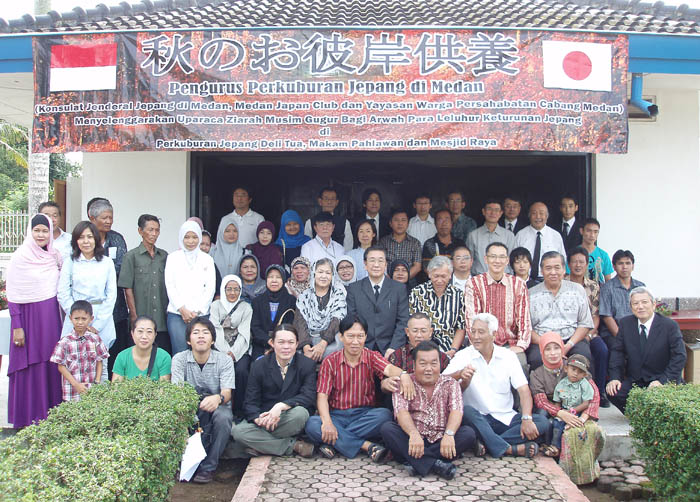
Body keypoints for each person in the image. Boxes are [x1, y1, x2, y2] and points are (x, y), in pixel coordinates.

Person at [305, 315, 415, 461]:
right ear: (341, 337)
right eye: (350, 336)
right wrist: (327, 423)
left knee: (384, 415)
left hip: (364, 415)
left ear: (365, 337)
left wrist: (404, 374)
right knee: (313, 424)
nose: (355, 342)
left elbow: (389, 369)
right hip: (337, 415)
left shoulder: (371, 356)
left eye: (360, 336)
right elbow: (322, 396)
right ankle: (367, 446)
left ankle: (333, 443)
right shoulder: (330, 361)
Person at [444, 313, 549, 458]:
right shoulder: (463, 355)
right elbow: (441, 380)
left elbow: (524, 390)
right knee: (466, 411)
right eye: (473, 331)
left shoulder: (508, 356)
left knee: (542, 422)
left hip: (505, 418)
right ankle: (510, 449)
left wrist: (526, 418)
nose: (475, 336)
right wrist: (459, 374)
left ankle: (487, 443)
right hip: (478, 419)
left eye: (481, 332)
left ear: (493, 334)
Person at [381, 341, 476, 479]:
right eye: (423, 363)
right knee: (388, 429)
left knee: (468, 434)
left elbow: (456, 410)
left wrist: (449, 435)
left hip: (441, 439)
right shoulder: (405, 383)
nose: (429, 368)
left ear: (440, 364)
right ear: (414, 365)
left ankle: (416, 461)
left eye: (433, 363)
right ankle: (437, 464)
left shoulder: (451, 384)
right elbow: (401, 412)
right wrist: (413, 434)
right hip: (413, 439)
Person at [6, 213, 63, 427]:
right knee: (29, 365)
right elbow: (13, 295)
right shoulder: (20, 257)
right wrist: (17, 327)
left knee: (50, 362)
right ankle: (27, 417)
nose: (41, 234)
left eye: (45, 230)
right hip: (27, 321)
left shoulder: (54, 256)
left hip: (49, 321)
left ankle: (50, 417)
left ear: (51, 232)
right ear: (30, 232)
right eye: (37, 230)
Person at [229, 324, 316, 458]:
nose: (286, 347)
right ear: (272, 343)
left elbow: (308, 396)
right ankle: (293, 445)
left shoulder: (306, 364)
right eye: (281, 342)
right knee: (238, 432)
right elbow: (250, 402)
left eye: (291, 342)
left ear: (297, 344)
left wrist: (281, 406)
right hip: (265, 419)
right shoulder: (259, 365)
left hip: (289, 417)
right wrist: (259, 419)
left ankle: (260, 444)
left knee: (300, 414)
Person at [530, 331, 604, 485]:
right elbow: (540, 401)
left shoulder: (575, 366)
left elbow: (594, 395)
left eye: (556, 348)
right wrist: (561, 413)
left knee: (586, 430)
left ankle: (582, 472)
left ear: (562, 349)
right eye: (547, 349)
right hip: (553, 409)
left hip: (575, 409)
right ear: (542, 352)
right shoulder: (537, 374)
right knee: (542, 417)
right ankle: (547, 446)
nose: (553, 353)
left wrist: (581, 418)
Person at [171, 317, 234, 484]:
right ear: (188, 340)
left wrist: (218, 398)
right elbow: (177, 391)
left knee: (224, 418)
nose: (201, 336)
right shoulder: (179, 359)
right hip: (189, 405)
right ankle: (183, 464)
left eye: (206, 333)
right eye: (196, 333)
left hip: (217, 406)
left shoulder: (224, 360)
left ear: (212, 339)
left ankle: (209, 467)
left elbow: (227, 392)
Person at [606, 287, 686, 414]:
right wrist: (615, 377)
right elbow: (617, 352)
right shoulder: (626, 324)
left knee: (663, 400)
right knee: (613, 391)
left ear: (653, 304)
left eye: (644, 302)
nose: (640, 307)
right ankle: (642, 416)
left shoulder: (669, 326)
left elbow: (679, 356)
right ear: (631, 307)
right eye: (635, 303)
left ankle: (649, 415)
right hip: (637, 380)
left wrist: (662, 381)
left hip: (661, 378)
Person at [58, 220, 117, 383]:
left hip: (101, 317)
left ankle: (101, 405)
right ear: (75, 240)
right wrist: (78, 318)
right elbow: (63, 292)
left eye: (90, 237)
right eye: (81, 237)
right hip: (75, 316)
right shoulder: (70, 261)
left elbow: (111, 295)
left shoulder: (106, 263)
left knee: (101, 366)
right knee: (73, 364)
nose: (86, 241)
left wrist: (95, 325)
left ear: (96, 239)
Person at [464, 242, 532, 370]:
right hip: (482, 343)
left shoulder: (518, 284)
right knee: (477, 370)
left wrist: (520, 346)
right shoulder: (474, 284)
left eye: (501, 257)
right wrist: (482, 345)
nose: (497, 261)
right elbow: (471, 320)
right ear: (486, 259)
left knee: (520, 365)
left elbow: (524, 319)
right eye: (493, 256)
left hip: (510, 344)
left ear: (507, 261)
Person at [527, 252, 594, 371]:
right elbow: (527, 328)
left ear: (564, 269)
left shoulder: (577, 290)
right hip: (542, 341)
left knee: (583, 357)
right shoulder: (530, 294)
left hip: (571, 339)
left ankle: (584, 390)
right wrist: (549, 346)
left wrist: (568, 346)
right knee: (536, 359)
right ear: (542, 271)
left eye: (557, 268)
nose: (553, 272)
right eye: (548, 268)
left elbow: (585, 323)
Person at [118, 214, 170, 354]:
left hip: (161, 319)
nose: (154, 234)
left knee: (162, 357)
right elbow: (127, 288)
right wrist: (134, 316)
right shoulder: (131, 256)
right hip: (141, 317)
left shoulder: (164, 256)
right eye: (150, 230)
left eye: (157, 230)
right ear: (140, 231)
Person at [88, 199, 129, 375]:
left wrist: (101, 272)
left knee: (114, 351)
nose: (108, 221)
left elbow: (122, 266)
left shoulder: (116, 239)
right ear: (92, 218)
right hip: (92, 306)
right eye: (104, 218)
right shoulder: (86, 239)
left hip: (116, 306)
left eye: (111, 217)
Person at [346, 247, 409, 358]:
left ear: (385, 264)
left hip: (391, 348)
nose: (376, 265)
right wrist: (360, 345)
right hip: (362, 348)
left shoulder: (398, 289)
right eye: (372, 260)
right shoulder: (354, 289)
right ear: (365, 264)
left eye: (380, 261)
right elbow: (352, 319)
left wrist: (393, 347)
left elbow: (403, 321)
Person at [566, 246, 609, 406]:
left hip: (589, 333)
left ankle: (600, 391)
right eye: (574, 262)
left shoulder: (593, 286)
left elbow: (595, 316)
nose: (578, 265)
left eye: (581, 262)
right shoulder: (562, 282)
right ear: (568, 264)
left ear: (586, 265)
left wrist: (589, 335)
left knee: (601, 350)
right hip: (568, 333)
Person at [164, 221, 216, 354]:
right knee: (180, 352)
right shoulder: (172, 258)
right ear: (181, 238)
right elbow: (170, 285)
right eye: (187, 237)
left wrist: (196, 312)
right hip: (177, 314)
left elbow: (210, 288)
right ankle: (181, 376)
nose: (191, 241)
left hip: (201, 314)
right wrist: (182, 309)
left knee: (200, 351)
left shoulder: (207, 259)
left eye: (194, 237)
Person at [210, 275, 253, 416]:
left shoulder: (246, 307)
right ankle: (217, 406)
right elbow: (215, 330)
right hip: (219, 348)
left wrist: (233, 353)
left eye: (236, 289)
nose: (232, 293)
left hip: (240, 349)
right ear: (223, 289)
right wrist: (225, 352)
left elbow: (244, 332)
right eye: (229, 289)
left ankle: (239, 411)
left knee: (241, 371)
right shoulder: (215, 306)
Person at [50, 300, 109, 401]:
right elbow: (61, 366)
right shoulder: (65, 341)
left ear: (91, 319)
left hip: (92, 390)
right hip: (72, 392)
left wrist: (97, 381)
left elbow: (100, 360)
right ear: (70, 318)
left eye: (84, 319)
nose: (80, 322)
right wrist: (76, 384)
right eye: (76, 318)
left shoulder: (95, 339)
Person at [409, 256, 466, 357]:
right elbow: (414, 324)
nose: (439, 280)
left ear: (450, 275)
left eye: (443, 276)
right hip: (423, 346)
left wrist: (453, 349)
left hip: (450, 347)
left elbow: (461, 327)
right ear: (429, 274)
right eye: (436, 276)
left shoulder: (458, 295)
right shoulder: (417, 292)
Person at [294, 258, 347, 362]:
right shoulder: (304, 297)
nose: (323, 276)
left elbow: (336, 322)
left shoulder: (338, 295)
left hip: (330, 342)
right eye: (320, 272)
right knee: (296, 353)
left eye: (328, 273)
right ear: (314, 274)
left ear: (332, 276)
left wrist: (323, 344)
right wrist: (306, 347)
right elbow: (300, 324)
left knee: (339, 347)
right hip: (308, 341)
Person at [599, 250, 645, 345]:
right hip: (613, 334)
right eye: (620, 263)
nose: (624, 267)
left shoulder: (640, 287)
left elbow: (646, 313)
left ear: (633, 266)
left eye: (628, 263)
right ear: (614, 266)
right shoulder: (607, 288)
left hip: (637, 331)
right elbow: (607, 317)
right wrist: (622, 338)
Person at [250, 264, 296, 359]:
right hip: (261, 344)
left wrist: (278, 343)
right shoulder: (257, 301)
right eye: (271, 277)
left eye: (278, 277)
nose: (274, 280)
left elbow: (291, 325)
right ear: (266, 280)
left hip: (284, 345)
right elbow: (255, 327)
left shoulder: (291, 301)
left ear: (283, 280)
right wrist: (269, 341)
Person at [514, 202, 566, 282]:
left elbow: (563, 261)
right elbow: (514, 260)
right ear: (529, 216)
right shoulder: (521, 235)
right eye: (534, 213)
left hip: (549, 280)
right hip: (524, 281)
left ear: (547, 216)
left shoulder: (555, 235)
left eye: (541, 213)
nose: (538, 217)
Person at [111, 315, 171, 382]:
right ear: (132, 333)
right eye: (140, 331)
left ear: (155, 335)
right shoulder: (122, 356)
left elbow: (164, 390)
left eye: (149, 332)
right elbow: (116, 389)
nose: (144, 336)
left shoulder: (164, 357)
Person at [467, 199, 515, 276]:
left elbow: (511, 261)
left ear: (501, 213)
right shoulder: (473, 235)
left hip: (503, 279)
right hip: (479, 278)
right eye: (489, 209)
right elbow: (469, 260)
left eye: (496, 210)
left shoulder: (509, 235)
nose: (493, 213)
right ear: (483, 211)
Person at [378, 208, 422, 280]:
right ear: (390, 223)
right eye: (396, 220)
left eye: (403, 220)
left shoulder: (415, 243)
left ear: (408, 223)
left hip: (409, 283)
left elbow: (417, 266)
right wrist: (390, 280)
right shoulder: (383, 242)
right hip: (387, 282)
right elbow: (379, 264)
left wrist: (404, 278)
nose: (400, 223)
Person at [578, 218, 613, 283]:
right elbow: (568, 277)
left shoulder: (603, 255)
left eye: (595, 232)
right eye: (589, 231)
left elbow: (608, 280)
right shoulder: (574, 254)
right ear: (581, 231)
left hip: (599, 291)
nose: (592, 235)